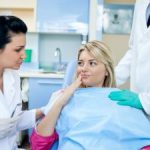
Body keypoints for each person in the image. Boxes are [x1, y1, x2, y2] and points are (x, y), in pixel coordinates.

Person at [30, 40, 150, 150]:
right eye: (80, 63)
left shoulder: (122, 100)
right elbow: (39, 144)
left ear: (107, 70)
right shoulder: (63, 98)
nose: (84, 69)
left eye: (92, 63)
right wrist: (61, 102)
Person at [0, 15, 45, 149]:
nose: (24, 55)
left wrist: (45, 110)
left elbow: (15, 121)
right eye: (17, 50)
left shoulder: (12, 76)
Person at [109, 0, 150, 115]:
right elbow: (134, 49)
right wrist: (112, 78)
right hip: (138, 106)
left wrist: (145, 101)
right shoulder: (141, 3)